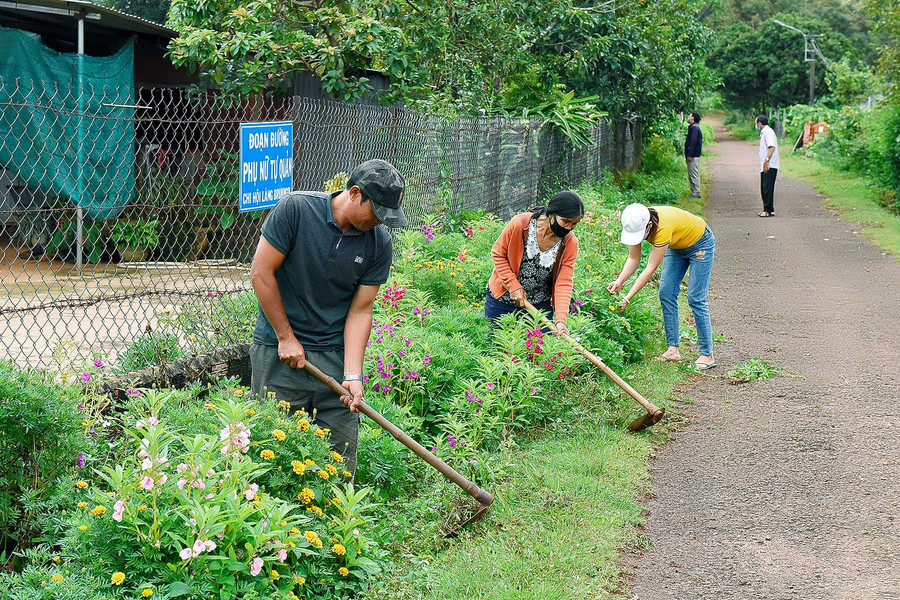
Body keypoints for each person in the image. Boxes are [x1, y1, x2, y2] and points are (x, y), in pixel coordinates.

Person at [249, 159, 407, 472]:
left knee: (340, 462)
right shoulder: (295, 210)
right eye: (376, 212)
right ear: (355, 193)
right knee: (271, 457)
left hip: (334, 359)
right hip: (280, 355)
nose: (380, 221)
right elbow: (260, 272)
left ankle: (336, 520)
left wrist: (352, 375)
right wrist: (285, 337)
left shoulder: (378, 243)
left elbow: (361, 310)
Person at [607, 203, 716, 370]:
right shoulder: (637, 221)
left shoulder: (662, 228)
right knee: (666, 293)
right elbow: (634, 259)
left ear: (649, 225)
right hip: (677, 246)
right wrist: (619, 281)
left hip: (700, 243)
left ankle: (707, 354)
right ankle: (673, 350)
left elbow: (650, 268)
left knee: (695, 298)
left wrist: (627, 297)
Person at [485, 190, 583, 335]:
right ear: (551, 214)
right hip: (502, 300)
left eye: (574, 223)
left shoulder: (569, 243)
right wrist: (513, 285)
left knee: (536, 352)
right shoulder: (520, 224)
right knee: (496, 347)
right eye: (566, 221)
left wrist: (561, 321)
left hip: (538, 307)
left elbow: (564, 281)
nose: (569, 227)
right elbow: (498, 254)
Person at [756, 114, 780, 217]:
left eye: (756, 123)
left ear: (760, 124)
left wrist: (766, 161)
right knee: (767, 187)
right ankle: (770, 209)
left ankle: (767, 210)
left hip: (769, 164)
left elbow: (772, 147)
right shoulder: (765, 132)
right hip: (768, 164)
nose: (756, 125)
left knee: (766, 188)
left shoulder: (767, 132)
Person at [685, 112, 703, 198]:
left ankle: (696, 192)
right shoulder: (694, 127)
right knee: (691, 173)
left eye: (690, 116)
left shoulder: (694, 128)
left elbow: (693, 142)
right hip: (693, 154)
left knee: (694, 173)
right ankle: (694, 192)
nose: (688, 117)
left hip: (693, 155)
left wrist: (690, 154)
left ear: (693, 118)